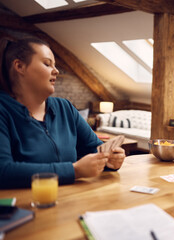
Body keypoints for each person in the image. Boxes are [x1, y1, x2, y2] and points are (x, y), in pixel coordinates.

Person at [0, 37, 126, 189]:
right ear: (19, 66)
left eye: (55, 65)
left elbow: (94, 147)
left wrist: (110, 159)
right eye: (47, 64)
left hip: (71, 202)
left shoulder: (65, 107)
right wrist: (75, 170)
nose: (56, 71)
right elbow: (4, 171)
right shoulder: (3, 111)